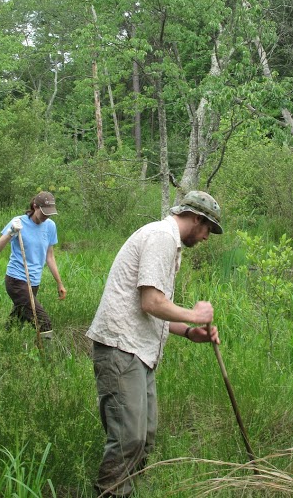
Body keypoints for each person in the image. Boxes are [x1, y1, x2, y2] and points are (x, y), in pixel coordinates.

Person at [86, 190, 223, 497]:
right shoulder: (161, 237)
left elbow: (158, 308)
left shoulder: (170, 245)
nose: (206, 238)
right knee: (128, 439)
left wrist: (189, 331)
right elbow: (152, 302)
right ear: (197, 219)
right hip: (121, 348)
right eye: (208, 230)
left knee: (144, 438)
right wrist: (195, 314)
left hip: (139, 352)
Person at [0, 191, 67, 340]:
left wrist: (59, 283)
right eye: (44, 213)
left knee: (17, 321)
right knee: (43, 321)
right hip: (16, 280)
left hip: (33, 282)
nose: (47, 217)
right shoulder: (18, 222)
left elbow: (50, 256)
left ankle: (3, 344)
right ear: (35, 206)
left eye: (50, 214)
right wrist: (11, 232)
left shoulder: (50, 226)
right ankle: (48, 358)